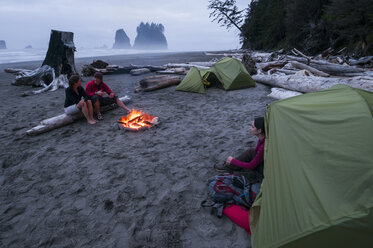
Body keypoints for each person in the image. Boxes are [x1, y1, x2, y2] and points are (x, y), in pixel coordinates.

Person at [215, 117, 266, 183]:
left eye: (253, 127)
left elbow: (251, 166)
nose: (250, 128)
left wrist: (233, 161)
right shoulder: (263, 139)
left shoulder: (263, 146)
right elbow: (255, 151)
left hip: (262, 173)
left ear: (259, 130)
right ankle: (228, 166)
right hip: (262, 164)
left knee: (245, 171)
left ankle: (230, 166)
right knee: (250, 152)